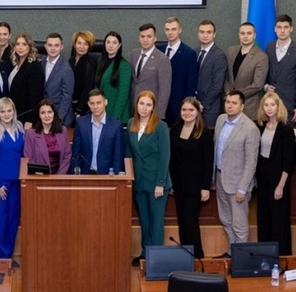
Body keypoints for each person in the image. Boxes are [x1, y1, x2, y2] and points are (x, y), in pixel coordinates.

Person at [127, 90, 171, 266]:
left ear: (153, 107)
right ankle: (145, 253)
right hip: (138, 182)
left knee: (156, 221)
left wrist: (160, 183)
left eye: (148, 104)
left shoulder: (160, 126)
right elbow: (129, 154)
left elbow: (165, 156)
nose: (144, 108)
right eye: (141, 104)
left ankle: (155, 257)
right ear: (136, 105)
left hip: (156, 183)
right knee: (144, 221)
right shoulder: (131, 124)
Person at [214, 90, 260, 252]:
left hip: (238, 185)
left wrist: (243, 188)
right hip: (220, 179)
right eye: (227, 102)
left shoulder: (250, 128)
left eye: (234, 103)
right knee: (225, 219)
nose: (230, 105)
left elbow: (251, 162)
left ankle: (240, 259)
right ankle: (231, 252)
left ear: (242, 106)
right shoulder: (220, 120)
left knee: (239, 225)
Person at [169, 97, 213, 258]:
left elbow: (209, 161)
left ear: (197, 112)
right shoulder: (175, 129)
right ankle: (185, 255)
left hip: (196, 185)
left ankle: (197, 256)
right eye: (184, 110)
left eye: (191, 110)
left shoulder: (204, 132)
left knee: (189, 219)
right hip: (178, 184)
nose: (187, 113)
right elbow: (172, 158)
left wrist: (205, 187)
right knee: (181, 219)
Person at [0, 97, 25, 260]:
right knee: (1, 221)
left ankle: (9, 255)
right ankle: (3, 258)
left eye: (9, 110)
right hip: (0, 184)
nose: (6, 114)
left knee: (13, 220)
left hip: (18, 182)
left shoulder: (20, 129)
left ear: (14, 111)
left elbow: (24, 155)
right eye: (3, 111)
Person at [255, 92, 295, 255]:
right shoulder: (260, 126)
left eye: (273, 105)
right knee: (263, 219)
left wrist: (280, 186)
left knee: (279, 222)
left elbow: (288, 161)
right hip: (262, 179)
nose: (269, 108)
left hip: (278, 180)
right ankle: (265, 257)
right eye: (266, 105)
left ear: (279, 107)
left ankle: (282, 258)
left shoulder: (286, 130)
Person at [264, 14, 296, 123]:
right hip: (270, 104)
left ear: (291, 29)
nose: (282, 31)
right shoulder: (269, 47)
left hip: (289, 106)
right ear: (275, 29)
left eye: (286, 27)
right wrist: (266, 87)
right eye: (279, 27)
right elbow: (265, 73)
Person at [70, 89, 125, 174]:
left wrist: (115, 178)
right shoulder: (81, 123)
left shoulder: (116, 125)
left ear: (105, 102)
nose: (95, 107)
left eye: (99, 103)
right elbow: (76, 152)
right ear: (88, 104)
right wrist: (76, 174)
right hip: (85, 174)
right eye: (92, 103)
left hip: (107, 175)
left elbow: (118, 156)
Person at [157, 17, 198, 125]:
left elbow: (190, 84)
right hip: (160, 106)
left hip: (178, 107)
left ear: (180, 30)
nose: (170, 32)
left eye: (173, 29)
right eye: (167, 29)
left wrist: (186, 108)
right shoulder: (158, 50)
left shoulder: (189, 53)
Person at [224, 22, 268, 121]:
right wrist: (228, 94)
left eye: (249, 33)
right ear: (239, 35)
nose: (245, 36)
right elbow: (226, 76)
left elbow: (257, 84)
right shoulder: (231, 51)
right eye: (242, 33)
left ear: (254, 35)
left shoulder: (261, 56)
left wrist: (236, 95)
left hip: (249, 106)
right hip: (229, 104)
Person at [130, 23, 171, 119]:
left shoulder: (162, 59)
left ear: (155, 38)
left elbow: (165, 90)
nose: (145, 39)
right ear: (139, 38)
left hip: (152, 110)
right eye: (142, 36)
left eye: (149, 36)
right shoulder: (134, 54)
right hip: (135, 108)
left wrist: (159, 114)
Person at [24, 99, 72, 174]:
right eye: (43, 113)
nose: (47, 116)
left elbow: (67, 156)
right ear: (39, 115)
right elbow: (29, 158)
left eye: (49, 112)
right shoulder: (30, 134)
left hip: (60, 178)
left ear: (54, 113)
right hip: (39, 179)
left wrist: (59, 176)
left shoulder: (63, 131)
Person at [195, 20, 228, 127]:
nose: (205, 35)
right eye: (202, 32)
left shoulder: (219, 55)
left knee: (209, 139)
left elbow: (217, 85)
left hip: (210, 108)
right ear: (198, 34)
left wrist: (203, 104)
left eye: (208, 32)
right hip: (193, 105)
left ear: (214, 34)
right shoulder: (194, 52)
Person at [94, 31, 131, 123]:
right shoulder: (100, 61)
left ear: (119, 45)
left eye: (114, 43)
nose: (111, 45)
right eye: (108, 42)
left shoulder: (124, 65)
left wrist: (115, 116)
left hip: (116, 112)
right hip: (100, 110)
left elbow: (123, 95)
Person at [8, 33, 44, 125]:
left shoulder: (34, 67)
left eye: (24, 44)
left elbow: (35, 96)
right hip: (14, 113)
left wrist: (30, 119)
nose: (20, 47)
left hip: (26, 116)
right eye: (18, 44)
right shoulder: (15, 64)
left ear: (30, 47)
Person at [41, 33, 75, 126]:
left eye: (56, 45)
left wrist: (58, 119)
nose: (53, 48)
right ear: (45, 46)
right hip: (44, 115)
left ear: (61, 47)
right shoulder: (41, 61)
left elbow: (67, 97)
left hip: (60, 117)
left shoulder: (66, 69)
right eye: (50, 45)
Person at [69, 30, 97, 121]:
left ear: (89, 46)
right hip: (69, 104)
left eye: (85, 44)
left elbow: (87, 89)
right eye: (79, 43)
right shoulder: (71, 60)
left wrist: (79, 110)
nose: (82, 47)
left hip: (81, 107)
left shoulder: (90, 63)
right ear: (74, 44)